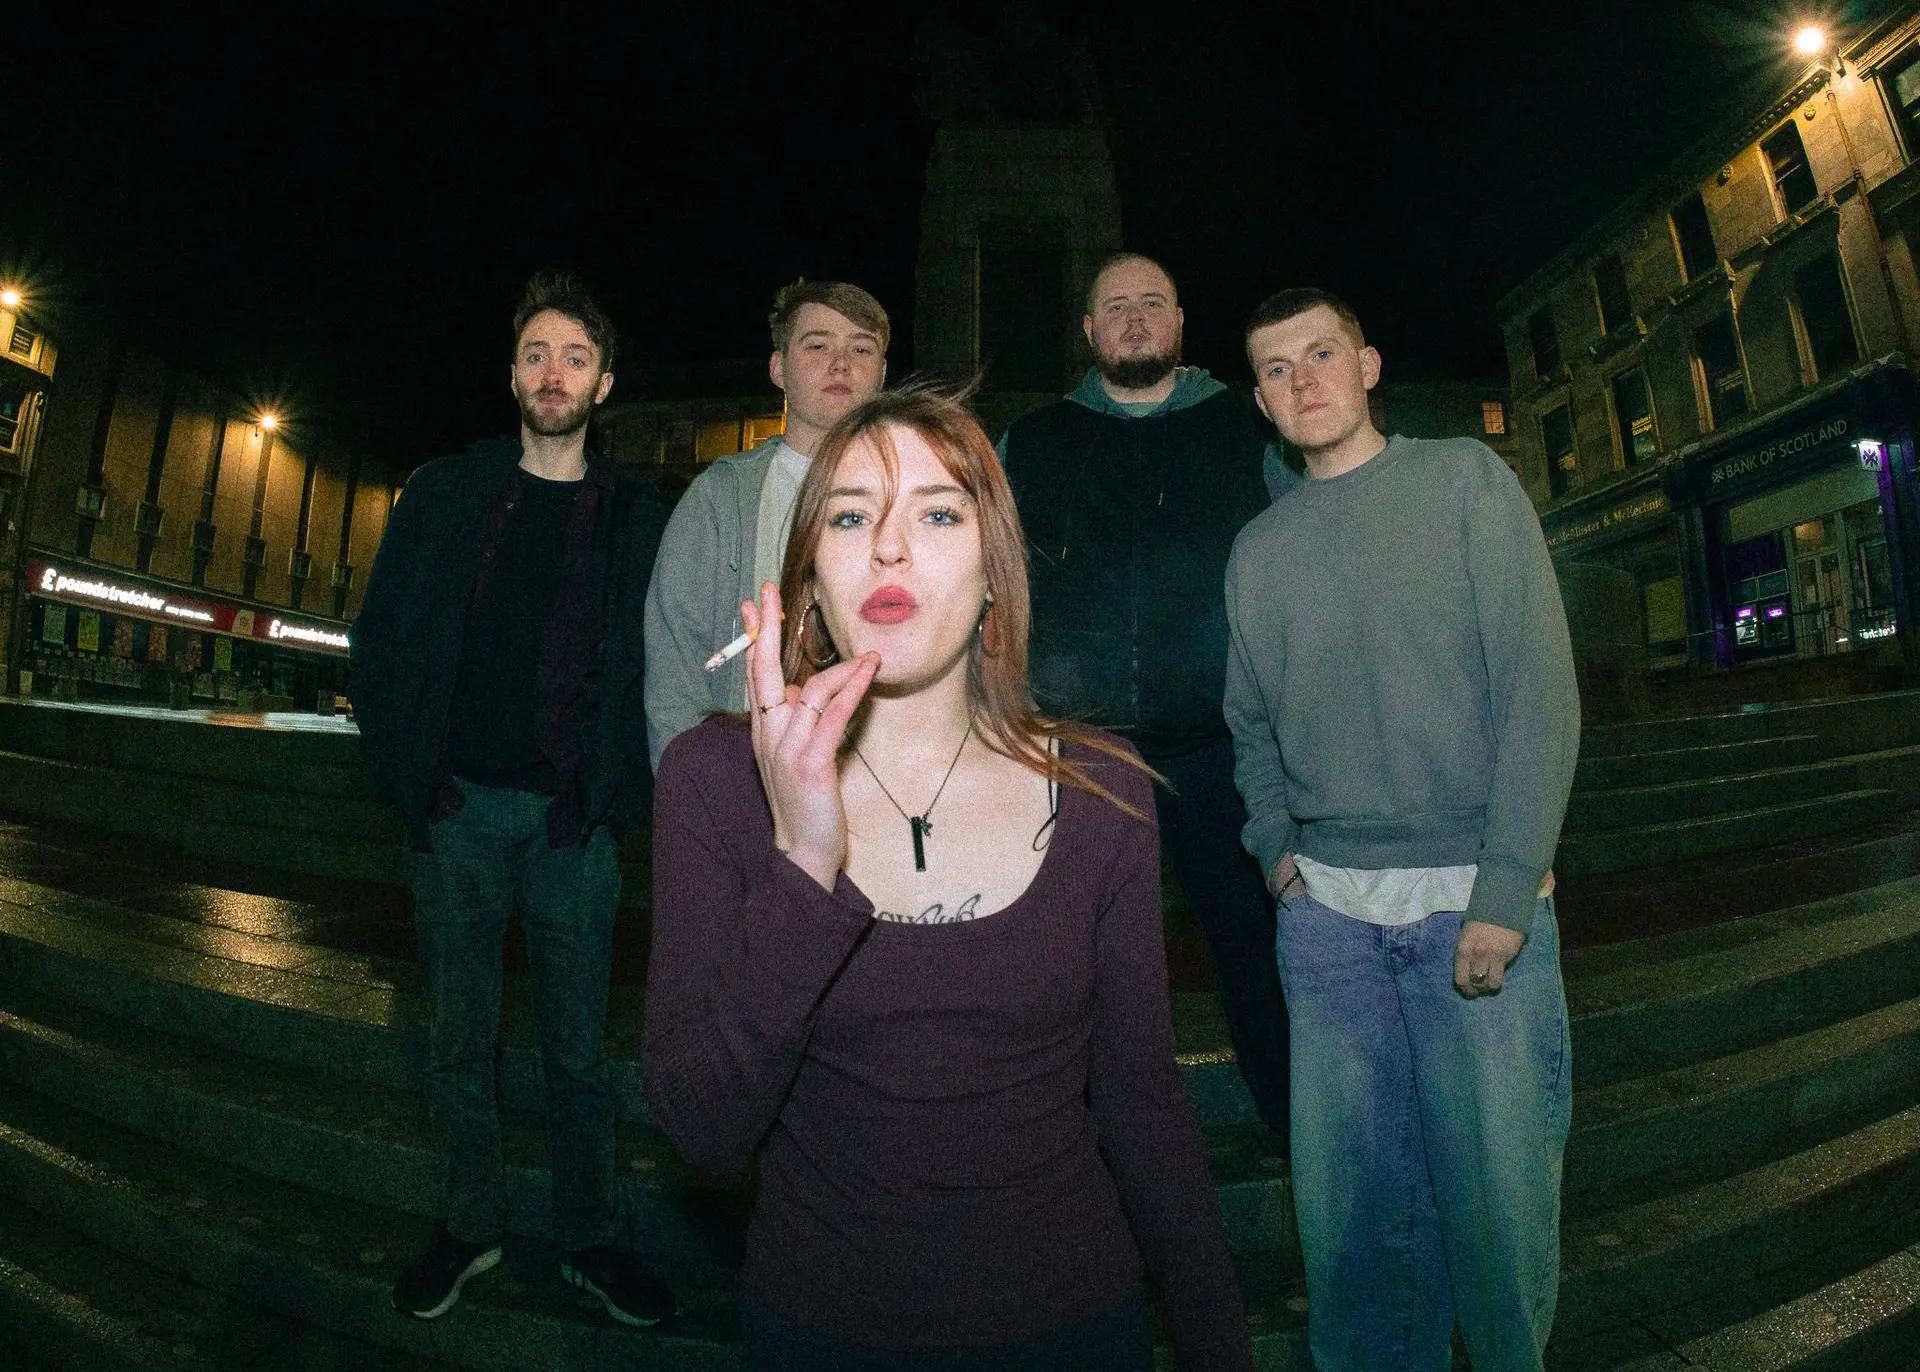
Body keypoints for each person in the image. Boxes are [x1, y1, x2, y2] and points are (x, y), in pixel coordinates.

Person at [644, 387, 1253, 1371]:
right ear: (806, 586)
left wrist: (1218, 1344)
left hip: (1076, 1325)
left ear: (995, 577)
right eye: (850, 515)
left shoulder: (1101, 790)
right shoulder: (714, 779)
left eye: (937, 511)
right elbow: (703, 1128)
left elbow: (1141, 1099)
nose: (890, 546)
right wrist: (804, 857)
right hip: (820, 1330)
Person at [1225, 287, 1578, 1372]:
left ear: (1369, 364)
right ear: (1259, 397)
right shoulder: (1258, 546)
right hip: (1328, 924)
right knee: (1353, 1223)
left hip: (1471, 906)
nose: (1304, 380)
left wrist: (1506, 886)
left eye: (1322, 353)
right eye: (1278, 369)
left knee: (1500, 1209)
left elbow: (1540, 692)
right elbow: (1248, 721)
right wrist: (1277, 854)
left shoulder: (1465, 482)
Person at [351, 269, 675, 1328]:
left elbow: (657, 664)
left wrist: (610, 794)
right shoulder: (446, 491)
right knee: (458, 1037)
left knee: (579, 1051)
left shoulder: (638, 516)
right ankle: (470, 1224)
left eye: (575, 357)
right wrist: (417, 780)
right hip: (456, 818)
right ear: (511, 375)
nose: (553, 372)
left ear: (605, 383)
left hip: (570, 827)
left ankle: (589, 1237)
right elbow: (381, 639)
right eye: (537, 354)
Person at [1000, 251, 1294, 1142]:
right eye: (1114, 307)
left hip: (1221, 749)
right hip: (1080, 754)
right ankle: (1068, 1157)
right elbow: (992, 581)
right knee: (1071, 971)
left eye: (1151, 303)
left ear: (1178, 324)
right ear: (1088, 332)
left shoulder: (1249, 430)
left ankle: (1298, 1138)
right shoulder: (1033, 440)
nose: (1133, 318)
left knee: (1253, 952)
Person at [643, 279, 889, 766]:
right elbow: (676, 666)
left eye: (861, 348)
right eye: (817, 345)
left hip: (881, 781)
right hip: (751, 779)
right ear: (778, 368)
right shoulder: (720, 499)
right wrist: (698, 799)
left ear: (882, 373)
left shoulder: (914, 497)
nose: (840, 362)